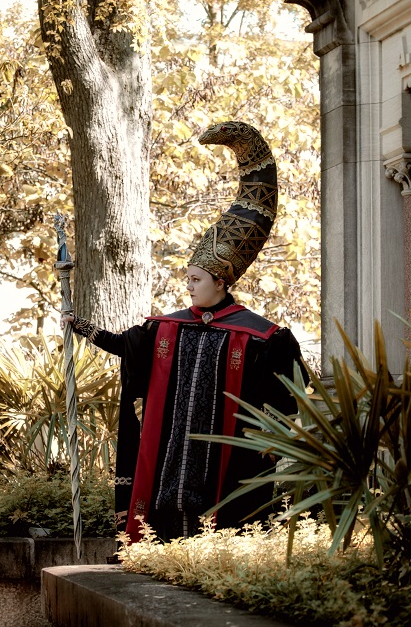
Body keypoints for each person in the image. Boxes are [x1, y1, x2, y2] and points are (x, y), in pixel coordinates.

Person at [64, 121, 305, 542]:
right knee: (169, 522)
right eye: (188, 279)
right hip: (171, 458)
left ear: (221, 281)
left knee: (220, 523)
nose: (189, 286)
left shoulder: (263, 338)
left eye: (196, 279)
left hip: (227, 464)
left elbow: (290, 396)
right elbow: (126, 346)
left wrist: (268, 436)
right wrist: (81, 326)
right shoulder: (168, 327)